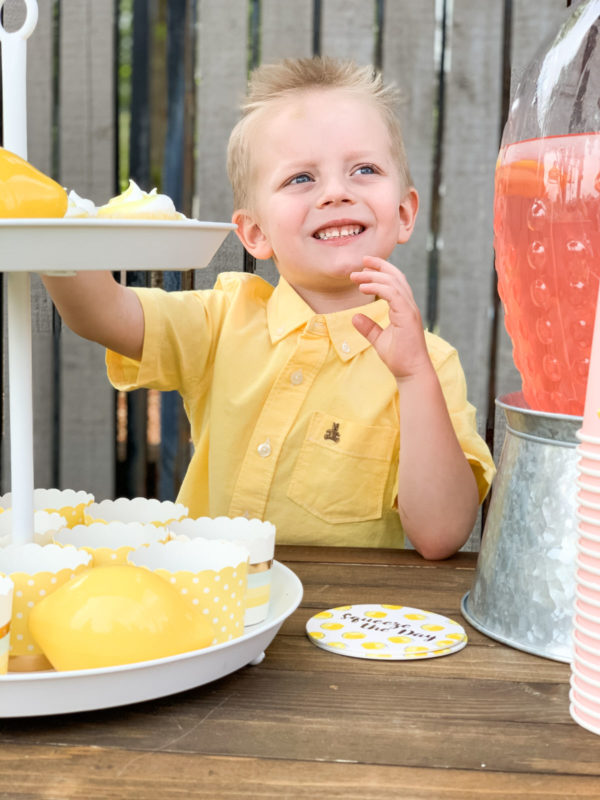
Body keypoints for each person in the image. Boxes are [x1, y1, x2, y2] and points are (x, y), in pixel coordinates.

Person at [42, 56, 495, 559]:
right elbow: (101, 314)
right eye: (301, 178)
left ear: (405, 213)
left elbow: (440, 536)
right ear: (255, 232)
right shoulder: (223, 320)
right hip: (213, 609)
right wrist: (48, 225)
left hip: (336, 625)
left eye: (364, 169)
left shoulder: (430, 364)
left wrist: (413, 378)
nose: (337, 193)